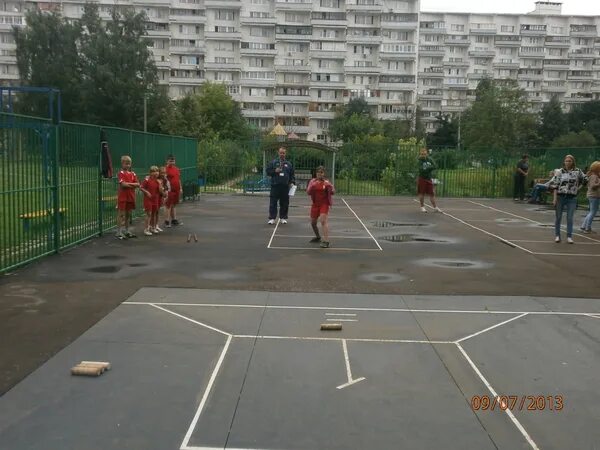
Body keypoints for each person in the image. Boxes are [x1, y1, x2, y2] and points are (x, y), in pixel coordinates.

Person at [549, 154, 587, 244]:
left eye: (570, 161)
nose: (568, 162)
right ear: (564, 162)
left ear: (573, 162)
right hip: (560, 196)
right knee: (558, 217)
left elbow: (585, 180)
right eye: (566, 161)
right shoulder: (559, 172)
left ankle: (569, 236)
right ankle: (557, 235)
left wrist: (578, 188)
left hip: (572, 198)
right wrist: (554, 199)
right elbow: (554, 185)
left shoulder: (578, 171)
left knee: (570, 218)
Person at [306, 166, 335, 248]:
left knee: (323, 221)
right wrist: (313, 185)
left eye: (321, 172)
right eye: (318, 172)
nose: (320, 174)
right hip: (315, 204)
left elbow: (333, 192)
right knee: (313, 223)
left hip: (324, 204)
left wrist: (329, 186)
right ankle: (318, 237)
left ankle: (326, 241)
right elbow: (308, 192)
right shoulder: (312, 181)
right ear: (316, 173)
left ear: (324, 173)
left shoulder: (327, 182)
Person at [266, 146, 295, 224]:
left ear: (285, 154)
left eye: (283, 153)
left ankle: (283, 217)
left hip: (285, 187)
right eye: (281, 153)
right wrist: (275, 171)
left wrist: (292, 182)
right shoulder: (273, 162)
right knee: (273, 202)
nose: (282, 154)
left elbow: (292, 175)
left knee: (285, 203)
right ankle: (272, 218)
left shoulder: (288, 164)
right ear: (278, 153)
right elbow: (268, 171)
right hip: (275, 185)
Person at [116, 155, 140, 240]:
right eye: (126, 164)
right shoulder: (120, 173)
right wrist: (132, 185)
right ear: (122, 164)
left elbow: (138, 184)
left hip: (131, 196)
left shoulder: (133, 173)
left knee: (128, 215)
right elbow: (123, 185)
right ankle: (119, 232)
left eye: (129, 164)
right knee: (121, 214)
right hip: (123, 197)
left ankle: (126, 230)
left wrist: (129, 184)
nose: (127, 165)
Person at [140, 166, 164, 236]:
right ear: (150, 173)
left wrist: (160, 184)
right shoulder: (147, 180)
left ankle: (152, 227)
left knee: (154, 214)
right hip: (148, 200)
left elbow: (160, 191)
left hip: (155, 200)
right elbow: (141, 187)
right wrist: (147, 192)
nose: (156, 173)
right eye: (153, 171)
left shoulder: (158, 181)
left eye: (157, 171)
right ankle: (146, 229)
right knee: (149, 214)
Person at [417, 148, 441, 213]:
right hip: (422, 178)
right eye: (422, 154)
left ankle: (435, 207)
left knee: (432, 193)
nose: (423, 155)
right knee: (422, 193)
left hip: (429, 179)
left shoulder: (429, 159)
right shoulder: (419, 161)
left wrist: (428, 168)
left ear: (426, 154)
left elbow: (435, 166)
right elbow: (421, 170)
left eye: (424, 154)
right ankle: (422, 207)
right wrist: (429, 168)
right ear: (420, 154)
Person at [580, 161, 600, 234]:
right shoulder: (594, 176)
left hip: (592, 196)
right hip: (594, 196)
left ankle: (583, 226)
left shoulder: (593, 176)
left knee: (591, 212)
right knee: (593, 212)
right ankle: (587, 228)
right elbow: (593, 186)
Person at [164, 155, 182, 227]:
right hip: (169, 190)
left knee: (174, 205)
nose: (172, 162)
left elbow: (178, 179)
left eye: (173, 161)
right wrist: (165, 189)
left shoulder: (176, 169)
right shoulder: (165, 169)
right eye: (170, 161)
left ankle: (174, 220)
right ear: (167, 161)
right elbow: (163, 179)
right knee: (168, 205)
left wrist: (180, 188)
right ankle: (167, 221)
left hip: (176, 189)